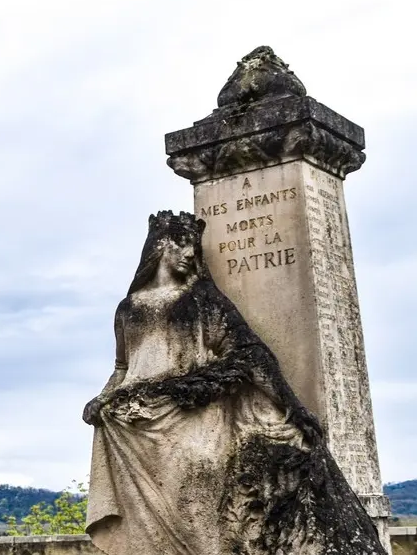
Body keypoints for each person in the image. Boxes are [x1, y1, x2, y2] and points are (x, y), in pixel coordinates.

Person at [83, 211, 385, 555]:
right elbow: (122, 367)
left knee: (199, 503)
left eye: (194, 247)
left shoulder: (202, 300)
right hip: (134, 427)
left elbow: (250, 353)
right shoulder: (128, 309)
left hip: (193, 420)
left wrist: (293, 408)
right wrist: (102, 397)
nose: (190, 254)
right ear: (158, 246)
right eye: (181, 244)